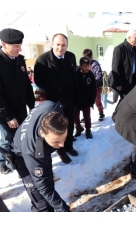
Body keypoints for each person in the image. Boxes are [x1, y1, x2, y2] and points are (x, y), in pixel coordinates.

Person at [11, 101, 71, 212]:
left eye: (64, 139)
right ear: (42, 133)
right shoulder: (34, 151)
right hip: (22, 157)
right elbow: (45, 189)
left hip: (40, 148)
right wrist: (64, 210)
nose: (62, 145)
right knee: (41, 203)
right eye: (56, 141)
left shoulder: (53, 109)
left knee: (48, 180)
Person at [34, 33, 79, 164]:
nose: (60, 47)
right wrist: (50, 91)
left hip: (70, 98)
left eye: (63, 45)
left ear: (67, 45)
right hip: (54, 101)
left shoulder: (71, 57)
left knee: (69, 124)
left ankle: (69, 145)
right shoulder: (42, 60)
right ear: (52, 44)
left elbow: (74, 76)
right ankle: (61, 151)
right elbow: (38, 81)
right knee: (57, 127)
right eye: (58, 44)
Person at [0, 28, 35, 175]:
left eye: (20, 45)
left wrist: (32, 105)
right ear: (4, 44)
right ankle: (2, 163)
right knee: (6, 139)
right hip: (4, 112)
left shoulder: (20, 60)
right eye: (16, 46)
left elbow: (26, 84)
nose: (19, 49)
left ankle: (18, 160)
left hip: (21, 109)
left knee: (20, 136)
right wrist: (8, 117)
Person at [111, 30, 136, 100]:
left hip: (132, 80)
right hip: (123, 81)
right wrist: (118, 83)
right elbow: (115, 67)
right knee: (124, 102)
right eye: (135, 38)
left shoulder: (133, 48)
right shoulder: (119, 49)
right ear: (129, 38)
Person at [74, 57, 96, 139]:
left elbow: (93, 88)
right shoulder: (76, 74)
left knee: (87, 116)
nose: (87, 68)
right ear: (80, 66)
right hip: (77, 100)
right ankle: (78, 127)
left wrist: (92, 100)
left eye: (88, 66)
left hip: (87, 100)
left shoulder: (90, 75)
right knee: (75, 116)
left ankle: (88, 130)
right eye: (84, 66)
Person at [82, 49, 105, 122]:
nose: (86, 60)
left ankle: (101, 113)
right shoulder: (84, 64)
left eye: (87, 58)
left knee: (97, 100)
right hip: (87, 87)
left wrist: (91, 81)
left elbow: (98, 77)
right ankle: (86, 116)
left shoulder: (95, 65)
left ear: (91, 57)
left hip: (96, 87)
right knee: (86, 102)